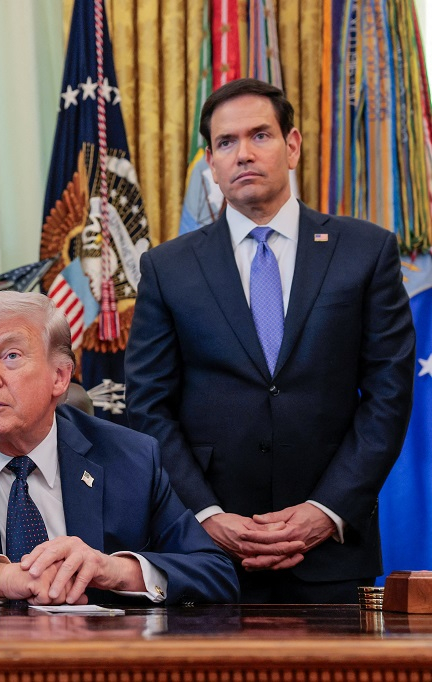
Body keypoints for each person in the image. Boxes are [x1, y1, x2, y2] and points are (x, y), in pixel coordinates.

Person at [125, 78, 415, 603]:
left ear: (293, 145)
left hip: (330, 554)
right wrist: (206, 516)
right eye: (225, 142)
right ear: (211, 163)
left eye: (260, 135)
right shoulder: (167, 268)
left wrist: (325, 511)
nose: (243, 154)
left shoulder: (365, 251)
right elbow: (148, 406)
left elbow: (389, 395)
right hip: (206, 556)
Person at [0, 291, 238, 607]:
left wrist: (114, 571)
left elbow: (214, 572)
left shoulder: (130, 456)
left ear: (60, 377)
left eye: (11, 356)